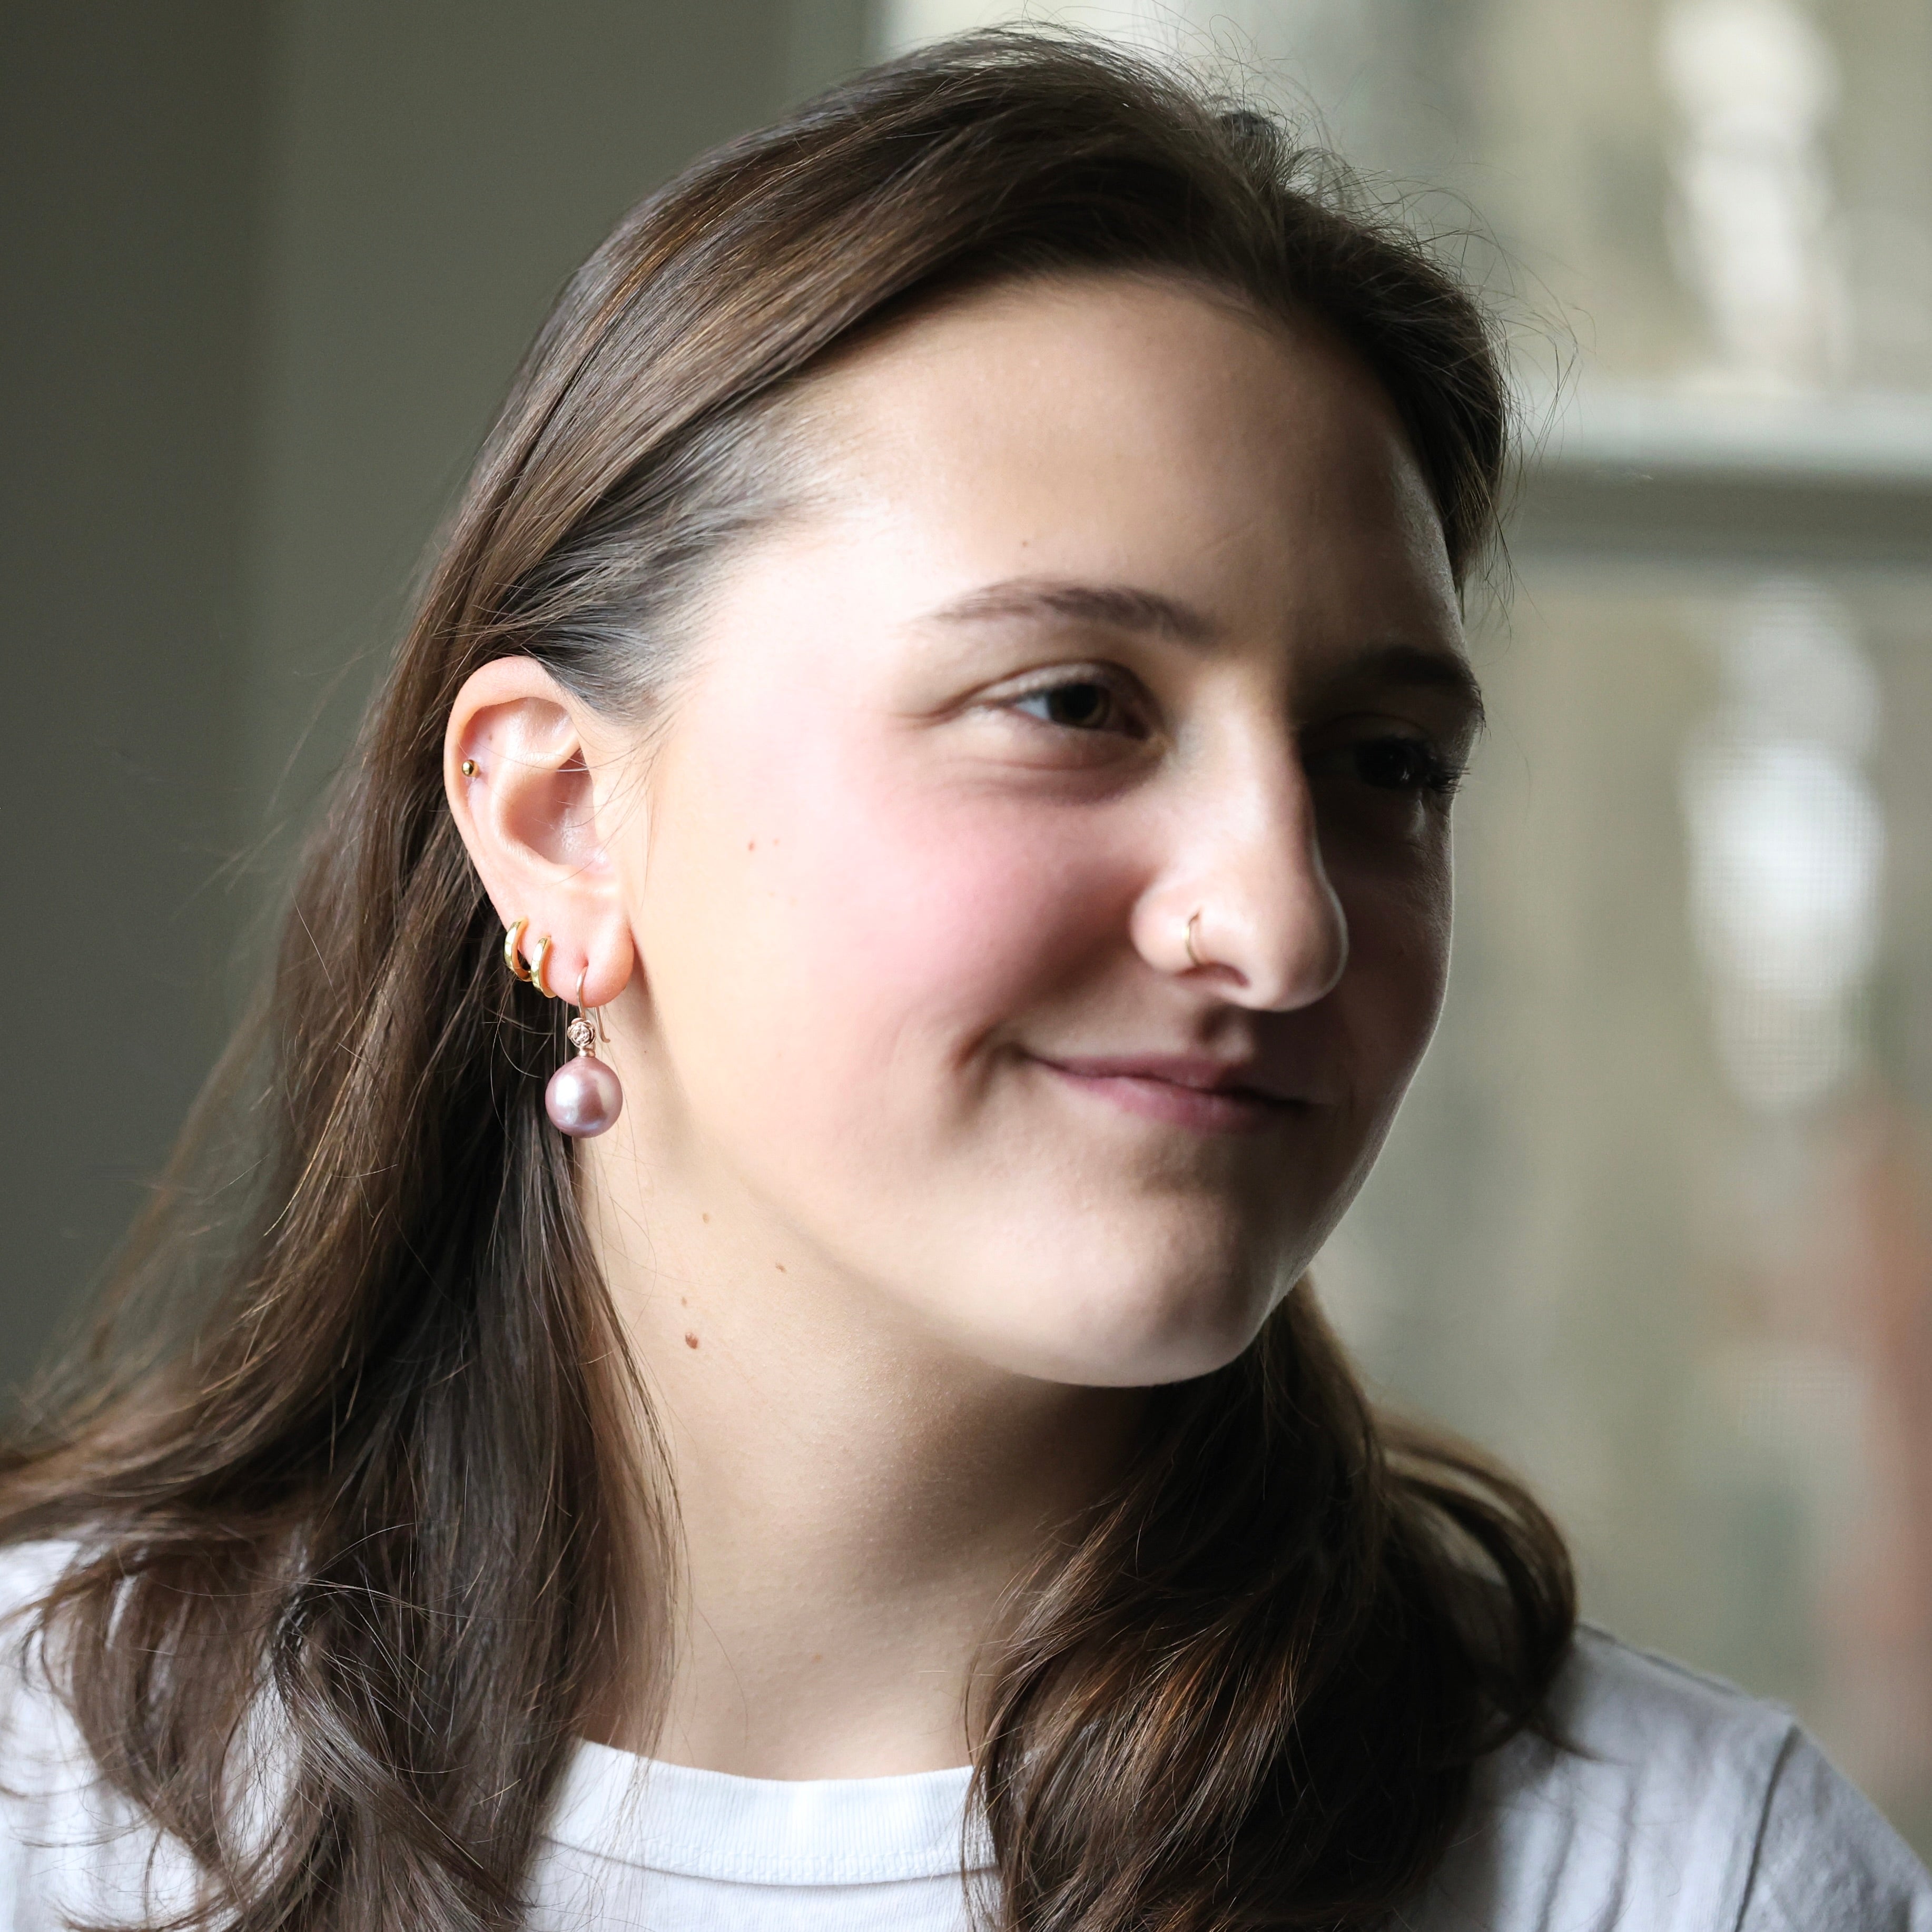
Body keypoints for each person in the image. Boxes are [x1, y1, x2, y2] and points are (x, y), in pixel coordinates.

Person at [1, 27, 1926, 1932]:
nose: (1283, 926)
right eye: (1073, 703)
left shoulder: (1686, 1880)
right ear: (567, 817)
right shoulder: (35, 1790)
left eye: (1384, 765)